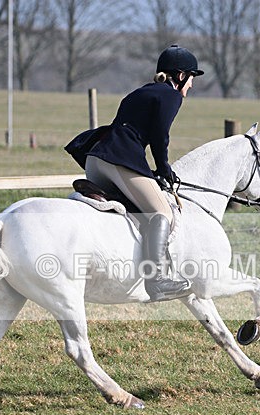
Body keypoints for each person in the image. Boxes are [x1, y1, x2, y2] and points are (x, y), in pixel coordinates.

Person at [84, 45, 204, 302]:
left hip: (95, 160)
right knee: (163, 212)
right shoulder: (170, 96)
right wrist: (164, 169)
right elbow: (160, 138)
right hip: (118, 160)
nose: (192, 86)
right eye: (192, 78)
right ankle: (157, 279)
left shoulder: (141, 92)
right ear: (181, 76)